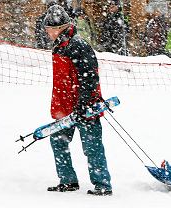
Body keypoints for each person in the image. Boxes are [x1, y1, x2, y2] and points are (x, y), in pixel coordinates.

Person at [43, 5, 112, 196]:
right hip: (64, 108)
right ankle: (68, 181)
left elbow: (89, 78)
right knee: (58, 141)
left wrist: (83, 104)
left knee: (92, 146)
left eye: (49, 29)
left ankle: (103, 185)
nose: (47, 33)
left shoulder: (79, 46)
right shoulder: (59, 46)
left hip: (85, 107)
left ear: (60, 28)